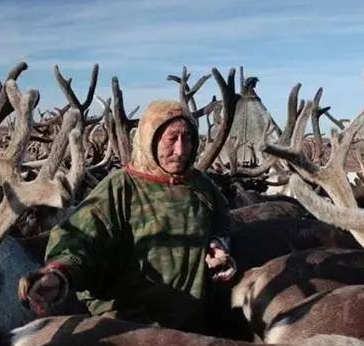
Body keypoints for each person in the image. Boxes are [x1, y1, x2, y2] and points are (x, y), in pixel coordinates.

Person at [18, 100, 236, 333]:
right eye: (171, 139)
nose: (181, 150)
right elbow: (81, 239)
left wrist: (218, 245)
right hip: (130, 330)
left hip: (192, 328)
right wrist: (59, 274)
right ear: (150, 139)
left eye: (188, 139)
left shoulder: (201, 185)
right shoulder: (120, 186)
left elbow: (221, 221)